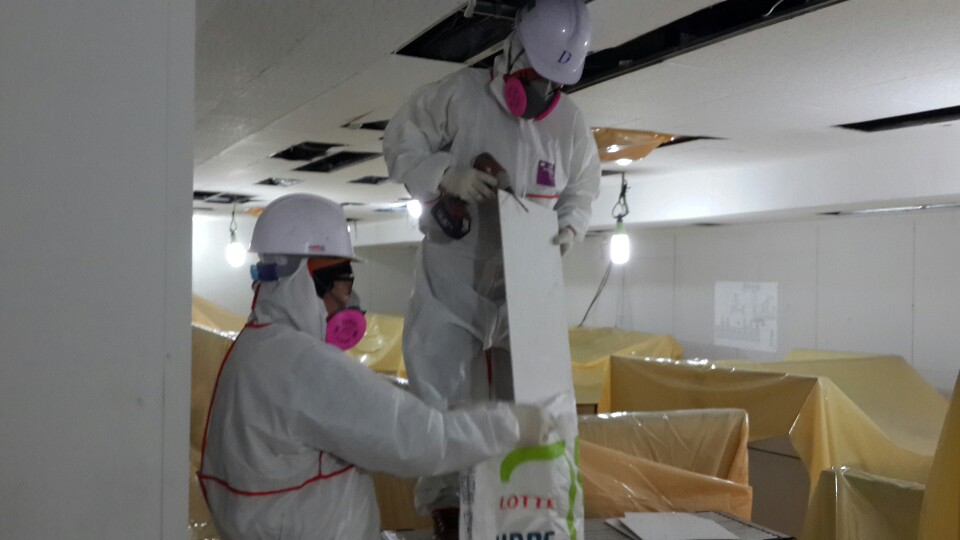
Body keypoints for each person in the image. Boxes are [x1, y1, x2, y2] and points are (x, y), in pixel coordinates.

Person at [198, 193, 545, 540]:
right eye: (347, 283)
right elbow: (420, 443)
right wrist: (513, 425)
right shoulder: (302, 364)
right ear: (311, 278)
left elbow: (363, 408)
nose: (351, 299)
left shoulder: (254, 349)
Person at [382, 0, 601, 533]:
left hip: (523, 289)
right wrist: (445, 176)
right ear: (512, 51)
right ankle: (446, 513)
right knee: (442, 407)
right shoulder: (461, 96)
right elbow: (400, 139)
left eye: (554, 83)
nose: (543, 93)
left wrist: (570, 226)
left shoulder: (569, 126)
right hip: (452, 286)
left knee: (527, 408)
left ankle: (517, 516)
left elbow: (582, 189)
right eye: (534, 76)